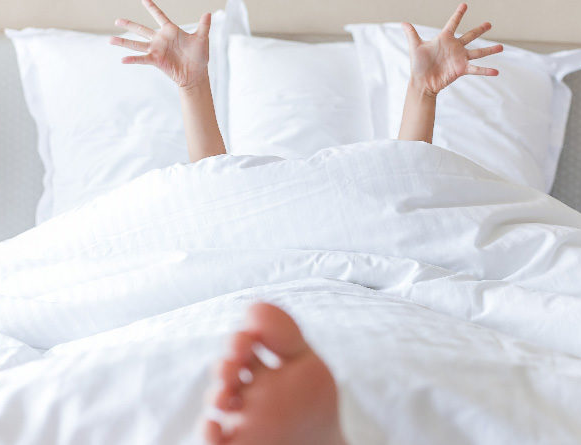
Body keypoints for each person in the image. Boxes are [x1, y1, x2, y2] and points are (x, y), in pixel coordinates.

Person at [110, 1, 502, 443]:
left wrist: (423, 92)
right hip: (258, 262)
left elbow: (403, 202)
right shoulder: (238, 190)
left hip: (358, 269)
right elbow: (213, 206)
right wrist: (192, 86)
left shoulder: (373, 183)